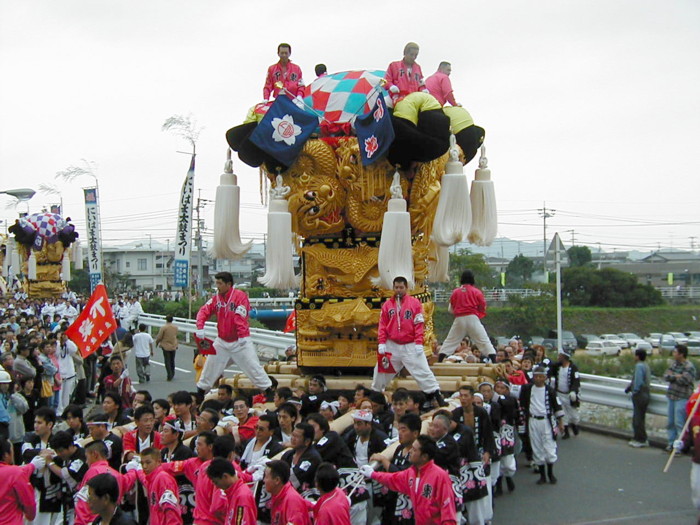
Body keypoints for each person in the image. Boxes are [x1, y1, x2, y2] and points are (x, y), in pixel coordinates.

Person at [372, 276, 446, 407]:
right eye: (396, 287)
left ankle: (435, 395)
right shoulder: (387, 305)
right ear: (393, 288)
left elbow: (419, 324)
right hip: (392, 344)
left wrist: (418, 342)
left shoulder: (414, 303)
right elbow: (382, 325)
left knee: (422, 370)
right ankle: (376, 395)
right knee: (381, 371)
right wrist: (382, 342)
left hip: (410, 344)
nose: (399, 290)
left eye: (401, 287)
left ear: (406, 288)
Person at [195, 272, 272, 397]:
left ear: (228, 284)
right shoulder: (216, 299)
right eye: (216, 283)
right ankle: (199, 395)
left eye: (220, 283)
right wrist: (200, 326)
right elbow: (204, 311)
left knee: (254, 368)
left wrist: (241, 335)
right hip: (222, 341)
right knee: (209, 368)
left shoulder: (240, 296)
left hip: (240, 341)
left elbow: (239, 317)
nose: (217, 286)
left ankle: (269, 393)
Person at [363, 435, 457, 525]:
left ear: (424, 456)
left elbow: (448, 510)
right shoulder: (411, 472)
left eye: (414, 450)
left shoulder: (440, 476)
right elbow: (393, 479)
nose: (410, 451)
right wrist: (373, 474)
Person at [159, 431, 228, 525]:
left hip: (220, 519)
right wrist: (149, 466)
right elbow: (170, 467)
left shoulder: (224, 466)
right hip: (200, 519)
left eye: (200, 444)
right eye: (196, 444)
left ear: (210, 447)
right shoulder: (192, 464)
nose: (196, 448)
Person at [519, 366, 565, 485]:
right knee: (536, 447)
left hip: (546, 421)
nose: (538, 379)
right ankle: (542, 475)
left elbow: (557, 406)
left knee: (549, 446)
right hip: (533, 420)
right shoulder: (527, 389)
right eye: (536, 376)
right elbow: (522, 404)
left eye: (541, 376)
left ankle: (550, 472)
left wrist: (561, 422)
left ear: (545, 378)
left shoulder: (550, 390)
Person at [438, 270, 496, 361]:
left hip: (459, 318)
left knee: (451, 340)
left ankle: (440, 359)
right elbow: (483, 306)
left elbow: (451, 308)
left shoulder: (455, 292)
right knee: (483, 339)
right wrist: (478, 315)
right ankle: (493, 359)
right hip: (472, 317)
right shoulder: (476, 292)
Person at [129, 447, 182, 525]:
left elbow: (171, 510)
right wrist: (138, 470)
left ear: (159, 462)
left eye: (148, 462)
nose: (144, 466)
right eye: (142, 463)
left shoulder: (163, 479)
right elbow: (145, 480)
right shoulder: (152, 479)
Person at [664, 344, 696, 452]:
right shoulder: (673, 364)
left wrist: (674, 376)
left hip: (682, 397)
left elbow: (685, 380)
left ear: (681, 354)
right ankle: (671, 443)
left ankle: (680, 445)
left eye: (675, 352)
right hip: (671, 395)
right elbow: (666, 376)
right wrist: (676, 376)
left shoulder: (689, 366)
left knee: (679, 422)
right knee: (670, 422)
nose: (673, 354)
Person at [206, 457, 257, 525]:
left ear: (225, 476)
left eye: (216, 482)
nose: (217, 487)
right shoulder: (233, 493)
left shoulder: (242, 497)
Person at [0, 438, 36, 524]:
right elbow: (29, 502)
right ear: (6, 455)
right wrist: (29, 516)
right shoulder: (15, 473)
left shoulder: (15, 472)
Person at [263, 460, 311, 525]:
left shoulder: (293, 501)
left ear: (277, 480)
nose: (264, 480)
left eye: (266, 477)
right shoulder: (277, 495)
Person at [280, 422, 322, 493]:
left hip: (310, 495)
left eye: (297, 436)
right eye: (293, 435)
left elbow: (295, 477)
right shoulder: (288, 455)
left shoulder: (312, 457)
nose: (293, 438)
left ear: (307, 441)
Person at [549, 352, 581, 439]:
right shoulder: (557, 367)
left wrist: (574, 391)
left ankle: (574, 424)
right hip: (559, 393)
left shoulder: (573, 368)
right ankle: (565, 432)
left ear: (565, 357)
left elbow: (576, 380)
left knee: (574, 414)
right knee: (563, 413)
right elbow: (549, 371)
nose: (558, 357)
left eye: (560, 356)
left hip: (569, 394)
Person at [626, 348, 651, 447]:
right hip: (646, 394)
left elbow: (638, 381)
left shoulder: (639, 366)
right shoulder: (646, 365)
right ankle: (641, 438)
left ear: (637, 356)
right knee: (641, 417)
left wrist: (634, 391)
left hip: (640, 394)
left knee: (637, 418)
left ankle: (640, 439)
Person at [155, 315, 179, 381]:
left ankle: (169, 375)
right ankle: (173, 373)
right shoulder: (175, 327)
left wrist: (157, 343)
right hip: (173, 345)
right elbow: (176, 335)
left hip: (165, 345)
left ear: (166, 320)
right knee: (172, 360)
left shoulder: (164, 327)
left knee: (167, 360)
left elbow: (159, 337)